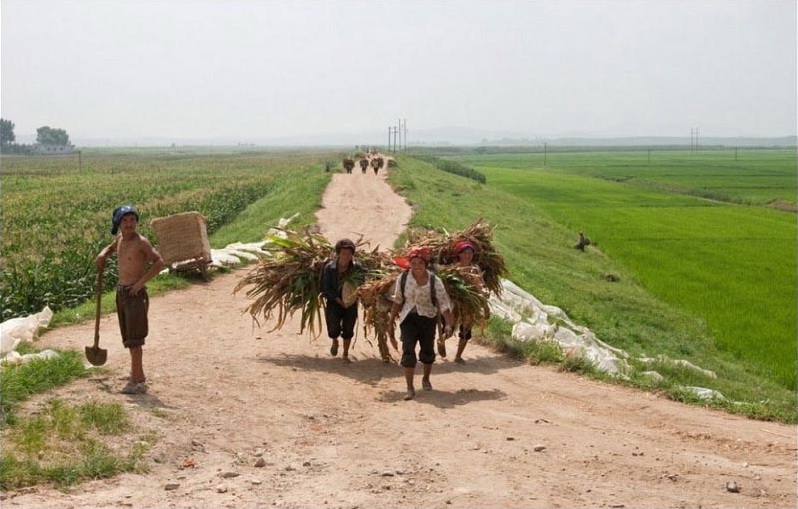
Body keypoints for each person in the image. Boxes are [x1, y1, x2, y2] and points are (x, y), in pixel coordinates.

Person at [96, 205, 164, 395]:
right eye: (125, 221)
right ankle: (138, 375)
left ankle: (135, 382)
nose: (129, 224)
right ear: (118, 224)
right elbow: (110, 248)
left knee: (135, 340)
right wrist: (102, 254)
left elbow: (159, 262)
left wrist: (140, 284)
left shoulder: (141, 242)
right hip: (122, 292)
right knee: (128, 338)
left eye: (132, 220)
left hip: (135, 295)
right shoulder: (119, 239)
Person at [389, 247, 454, 401]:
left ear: (425, 264)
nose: (417, 266)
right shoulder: (403, 278)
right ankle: (410, 387)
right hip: (408, 318)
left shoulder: (434, 281)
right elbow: (398, 300)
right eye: (414, 263)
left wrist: (448, 324)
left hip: (428, 318)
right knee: (408, 351)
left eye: (420, 263)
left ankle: (426, 378)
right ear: (410, 264)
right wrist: (391, 321)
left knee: (427, 351)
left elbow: (444, 303)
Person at [321, 238, 363, 363]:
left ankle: (345, 354)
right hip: (334, 302)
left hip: (350, 303)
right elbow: (325, 288)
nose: (346, 256)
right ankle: (335, 340)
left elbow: (361, 284)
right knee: (333, 329)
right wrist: (338, 299)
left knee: (348, 329)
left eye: (349, 254)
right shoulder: (329, 268)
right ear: (338, 253)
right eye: (343, 253)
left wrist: (351, 298)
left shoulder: (357, 268)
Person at [451, 240, 483, 364]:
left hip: (469, 304)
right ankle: (440, 342)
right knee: (448, 327)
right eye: (464, 253)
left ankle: (458, 356)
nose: (467, 255)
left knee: (466, 330)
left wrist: (480, 290)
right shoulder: (454, 268)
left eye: (470, 253)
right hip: (454, 303)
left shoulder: (476, 269)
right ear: (459, 254)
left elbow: (481, 284)